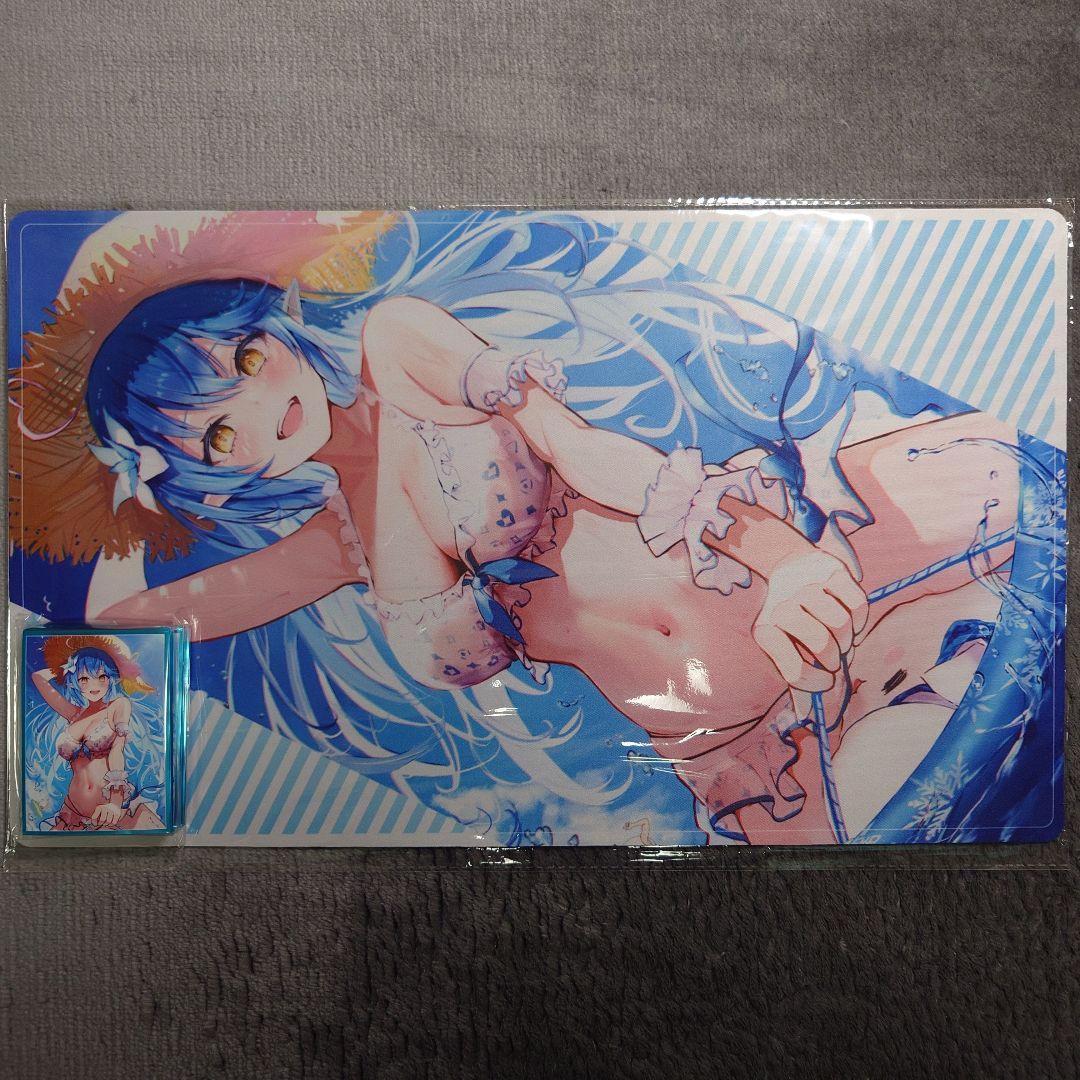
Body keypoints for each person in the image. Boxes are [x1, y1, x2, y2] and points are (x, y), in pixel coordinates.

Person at [10, 211, 1035, 843]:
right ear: (204, 479)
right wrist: (49, 656)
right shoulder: (333, 547)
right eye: (217, 435)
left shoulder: (398, 344)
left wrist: (786, 558)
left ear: (266, 324)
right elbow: (175, 613)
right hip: (740, 752)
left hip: (803, 600)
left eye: (242, 362)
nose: (260, 408)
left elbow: (590, 453)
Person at [25, 636, 165, 831]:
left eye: (102, 677)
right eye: (84, 679)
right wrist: (69, 665)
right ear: (74, 681)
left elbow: (117, 752)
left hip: (106, 809)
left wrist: (115, 803)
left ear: (110, 678)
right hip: (71, 811)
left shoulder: (118, 705)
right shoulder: (74, 714)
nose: (94, 685)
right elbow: (38, 678)